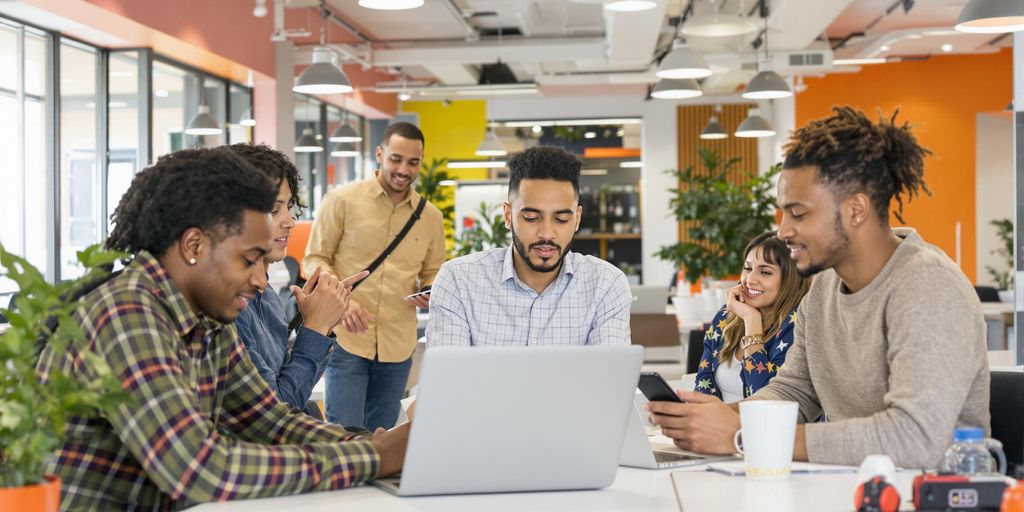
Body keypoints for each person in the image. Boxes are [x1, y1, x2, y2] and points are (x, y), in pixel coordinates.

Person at [36, 147, 408, 510]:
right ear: (194, 245)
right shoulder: (127, 313)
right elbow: (200, 470)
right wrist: (374, 456)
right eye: (249, 260)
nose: (260, 283)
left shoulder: (208, 318)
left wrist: (374, 444)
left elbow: (270, 421)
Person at [647, 106, 989, 468]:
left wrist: (744, 436)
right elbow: (794, 391)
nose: (783, 231)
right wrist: (713, 418)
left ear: (855, 209)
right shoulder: (824, 287)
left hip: (928, 493)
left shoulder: (927, 287)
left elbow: (915, 438)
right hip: (849, 486)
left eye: (798, 213)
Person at [304, 122, 446, 431]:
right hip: (347, 338)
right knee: (345, 435)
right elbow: (314, 258)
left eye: (413, 162)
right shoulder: (342, 201)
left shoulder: (430, 217)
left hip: (398, 344)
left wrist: (431, 290)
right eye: (396, 159)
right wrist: (340, 301)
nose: (403, 169)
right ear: (379, 154)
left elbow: (433, 270)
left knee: (385, 437)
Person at [426, 145, 632, 347]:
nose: (546, 233)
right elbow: (449, 377)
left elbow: (608, 377)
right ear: (508, 216)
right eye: (531, 218)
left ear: (577, 219)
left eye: (561, 219)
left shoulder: (605, 284)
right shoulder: (459, 280)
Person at [229, 143, 367, 417]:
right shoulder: (227, 307)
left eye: (289, 207)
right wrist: (316, 327)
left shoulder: (265, 296)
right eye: (273, 209)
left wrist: (321, 323)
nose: (290, 221)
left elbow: (292, 393)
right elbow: (276, 416)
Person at [693, 231, 810, 402]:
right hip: (720, 427)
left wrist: (751, 320)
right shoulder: (727, 316)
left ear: (790, 279)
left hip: (765, 427)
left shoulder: (798, 327)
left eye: (765, 272)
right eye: (747, 268)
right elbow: (703, 386)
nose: (750, 280)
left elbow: (766, 400)